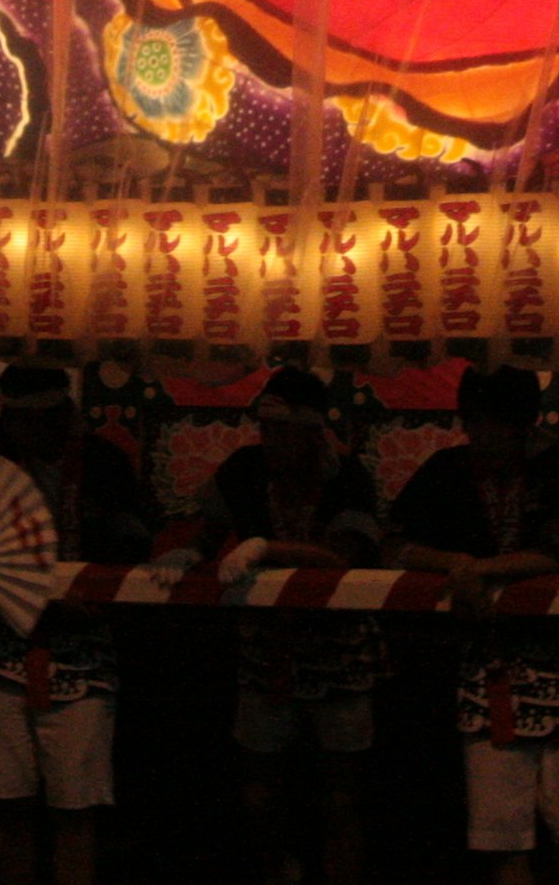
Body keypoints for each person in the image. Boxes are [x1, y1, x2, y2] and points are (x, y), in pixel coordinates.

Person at [390, 363, 559, 884]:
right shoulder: (448, 469)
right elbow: (393, 545)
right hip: (484, 669)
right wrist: (451, 563)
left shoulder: (556, 463)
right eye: (476, 423)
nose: (485, 436)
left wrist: (481, 569)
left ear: (526, 424)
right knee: (502, 836)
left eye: (498, 424)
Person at [0, 362, 156, 885]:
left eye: (44, 419)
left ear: (66, 417)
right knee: (6, 803)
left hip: (83, 649)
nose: (31, 432)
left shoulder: (103, 462)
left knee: (75, 804)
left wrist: (95, 590)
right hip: (2, 643)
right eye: (20, 421)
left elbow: (133, 547)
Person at [195, 366, 387, 885]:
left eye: (284, 430)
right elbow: (206, 532)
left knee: (342, 797)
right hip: (266, 649)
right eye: (266, 428)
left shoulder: (347, 476)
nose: (272, 440)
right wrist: (182, 554)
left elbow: (341, 558)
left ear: (312, 430)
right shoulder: (242, 469)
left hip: (340, 650)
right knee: (259, 795)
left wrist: (266, 548)